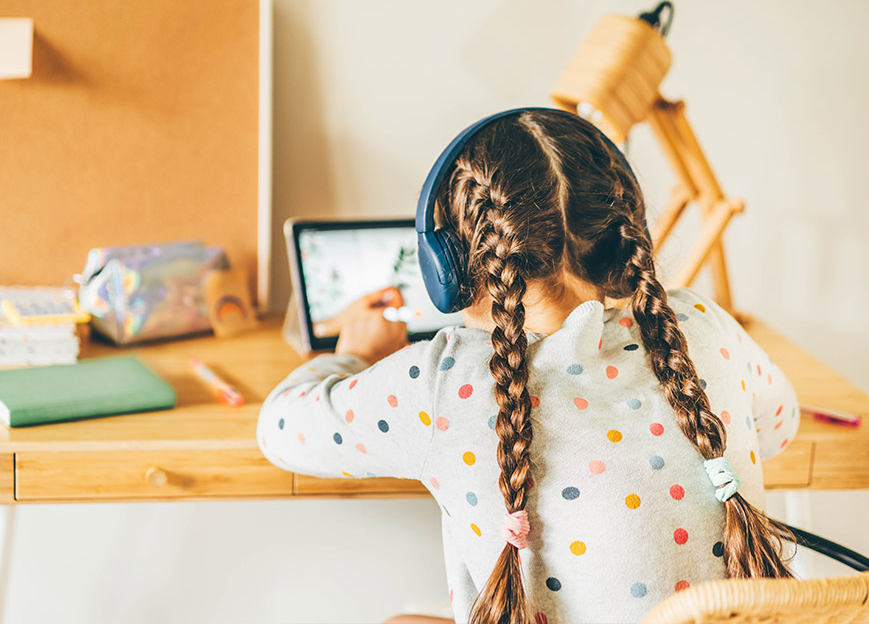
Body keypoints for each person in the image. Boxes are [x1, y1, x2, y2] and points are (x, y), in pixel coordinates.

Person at [257, 108, 799, 624]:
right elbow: (779, 427)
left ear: (450, 266)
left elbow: (279, 430)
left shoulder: (440, 380)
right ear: (622, 235)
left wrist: (350, 353)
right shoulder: (702, 323)